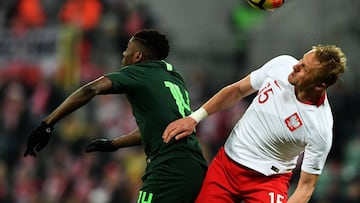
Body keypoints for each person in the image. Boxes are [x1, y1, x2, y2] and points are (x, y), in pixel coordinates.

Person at [24, 29, 207, 203]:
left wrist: (47, 124)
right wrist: (113, 144)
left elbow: (90, 89)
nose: (123, 53)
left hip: (169, 168)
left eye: (128, 49)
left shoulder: (139, 71)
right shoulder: (174, 77)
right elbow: (156, 129)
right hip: (195, 166)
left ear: (138, 56)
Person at [162, 44, 347, 203]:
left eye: (305, 69)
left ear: (319, 86)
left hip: (268, 181)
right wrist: (195, 117)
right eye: (301, 60)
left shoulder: (319, 127)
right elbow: (237, 90)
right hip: (226, 166)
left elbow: (306, 187)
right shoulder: (282, 65)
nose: (296, 66)